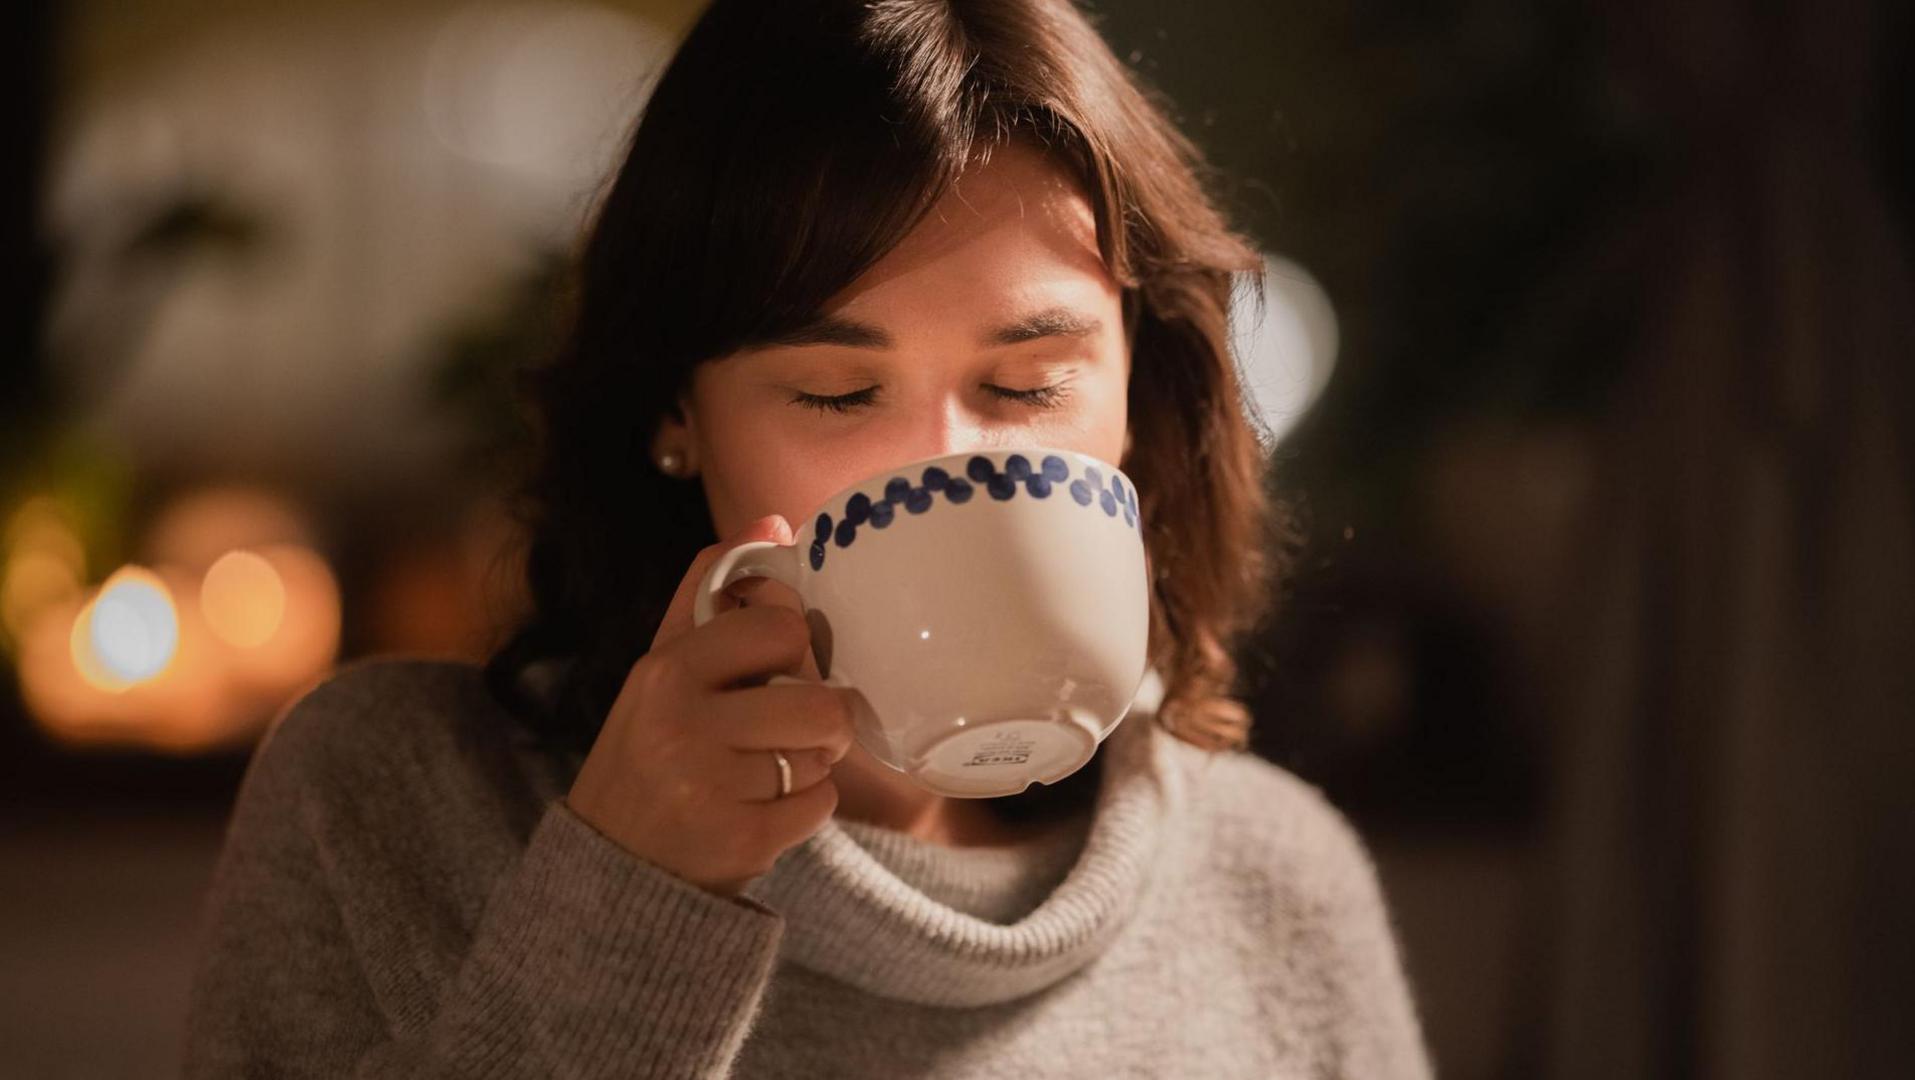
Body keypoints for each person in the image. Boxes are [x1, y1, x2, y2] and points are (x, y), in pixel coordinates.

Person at [183, 1, 1432, 1075]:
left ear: (1135, 405)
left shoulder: (1279, 886)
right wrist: (629, 896)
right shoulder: (396, 806)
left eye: (1031, 383)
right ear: (676, 411)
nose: (952, 461)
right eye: (835, 394)